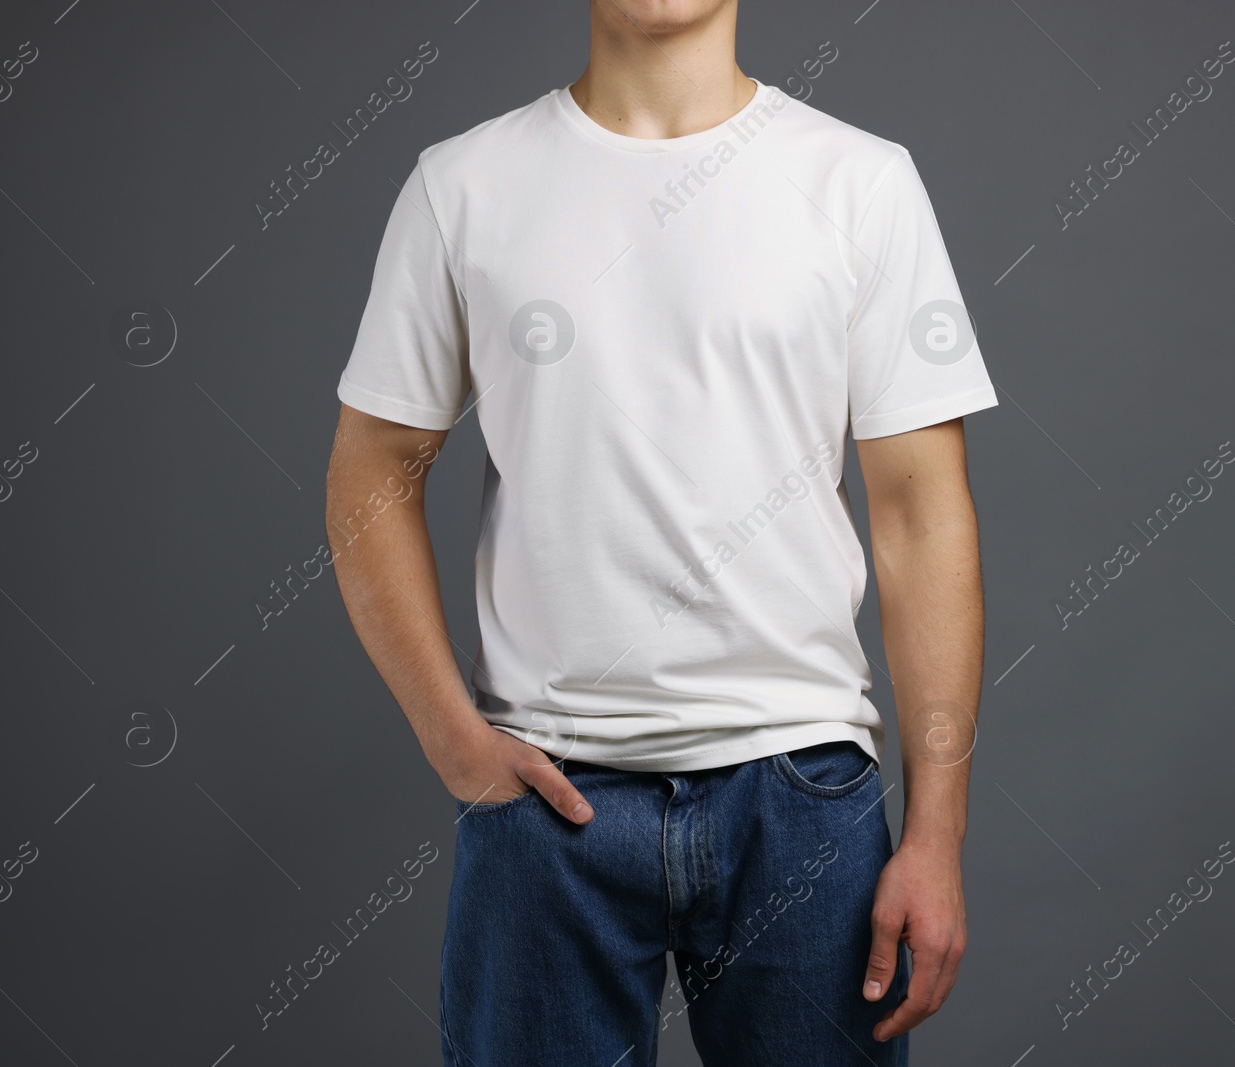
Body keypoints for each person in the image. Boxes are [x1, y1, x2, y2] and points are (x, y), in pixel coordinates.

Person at [324, 2, 996, 1063]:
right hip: (546, 804)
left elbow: (921, 514)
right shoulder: (462, 185)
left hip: (800, 794)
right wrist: (453, 737)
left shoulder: (859, 182)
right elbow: (370, 472)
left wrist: (936, 831)